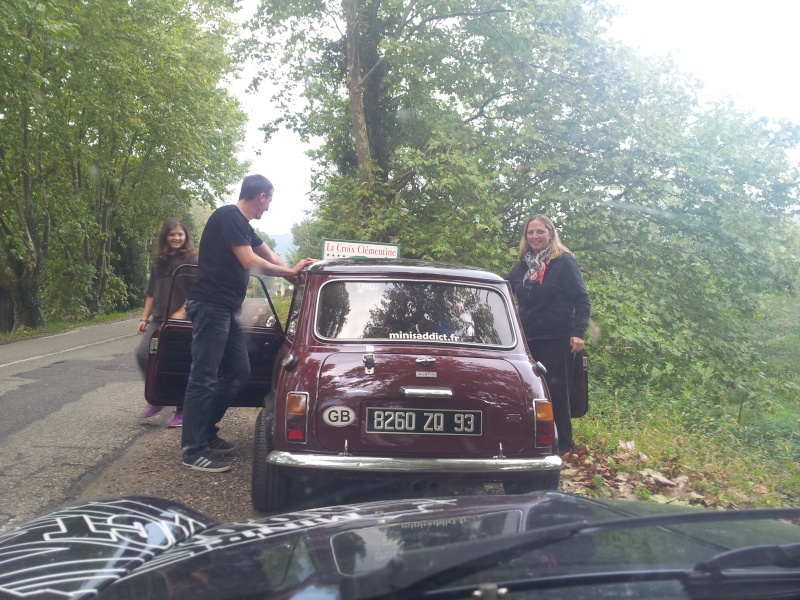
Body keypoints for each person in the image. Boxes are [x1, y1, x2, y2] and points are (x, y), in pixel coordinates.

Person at [181, 174, 316, 473]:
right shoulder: (228, 216)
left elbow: (268, 254)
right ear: (262, 197)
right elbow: (249, 261)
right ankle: (193, 449)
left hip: (226, 308)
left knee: (239, 371)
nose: (267, 209)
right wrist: (286, 272)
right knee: (203, 377)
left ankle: (206, 432)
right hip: (210, 306)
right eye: (269, 202)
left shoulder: (243, 226)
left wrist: (294, 273)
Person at [507, 214, 591, 454]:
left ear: (551, 234)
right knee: (529, 391)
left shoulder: (563, 262)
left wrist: (578, 333)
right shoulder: (523, 264)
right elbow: (504, 288)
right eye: (530, 232)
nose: (535, 236)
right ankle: (530, 443)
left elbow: (582, 299)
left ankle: (563, 445)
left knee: (556, 390)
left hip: (557, 337)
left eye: (540, 232)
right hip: (526, 339)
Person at [136, 218, 198, 427]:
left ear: (185, 236)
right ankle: (157, 397)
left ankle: (181, 409)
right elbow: (151, 292)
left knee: (178, 364)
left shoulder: (192, 260)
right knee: (143, 354)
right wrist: (144, 318)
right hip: (158, 319)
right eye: (172, 234)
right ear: (166, 236)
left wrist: (182, 312)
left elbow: (196, 291)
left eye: (180, 234)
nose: (176, 238)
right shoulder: (159, 261)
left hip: (181, 322)